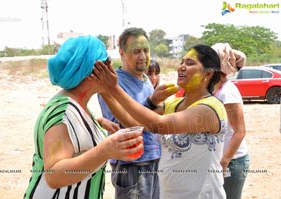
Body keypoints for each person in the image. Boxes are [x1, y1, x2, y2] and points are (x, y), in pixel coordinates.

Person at [94, 44, 228, 199]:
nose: (181, 67)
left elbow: (159, 125)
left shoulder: (210, 109)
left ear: (209, 73)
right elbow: (133, 122)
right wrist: (105, 91)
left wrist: (114, 88)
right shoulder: (174, 104)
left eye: (190, 63)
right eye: (181, 62)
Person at [23, 35, 144, 199]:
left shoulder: (76, 104)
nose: (113, 70)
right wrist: (105, 150)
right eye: (108, 63)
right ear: (93, 71)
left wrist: (97, 122)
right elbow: (53, 174)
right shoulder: (63, 112)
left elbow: (74, 134)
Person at [97, 27, 161, 199]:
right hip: (132, 165)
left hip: (153, 159)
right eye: (136, 51)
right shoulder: (112, 83)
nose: (143, 56)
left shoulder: (146, 80)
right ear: (122, 53)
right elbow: (125, 127)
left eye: (146, 50)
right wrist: (154, 104)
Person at [212, 43, 250, 199]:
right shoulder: (215, 89)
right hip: (220, 159)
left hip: (232, 161)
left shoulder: (228, 92)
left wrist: (224, 162)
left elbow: (240, 131)